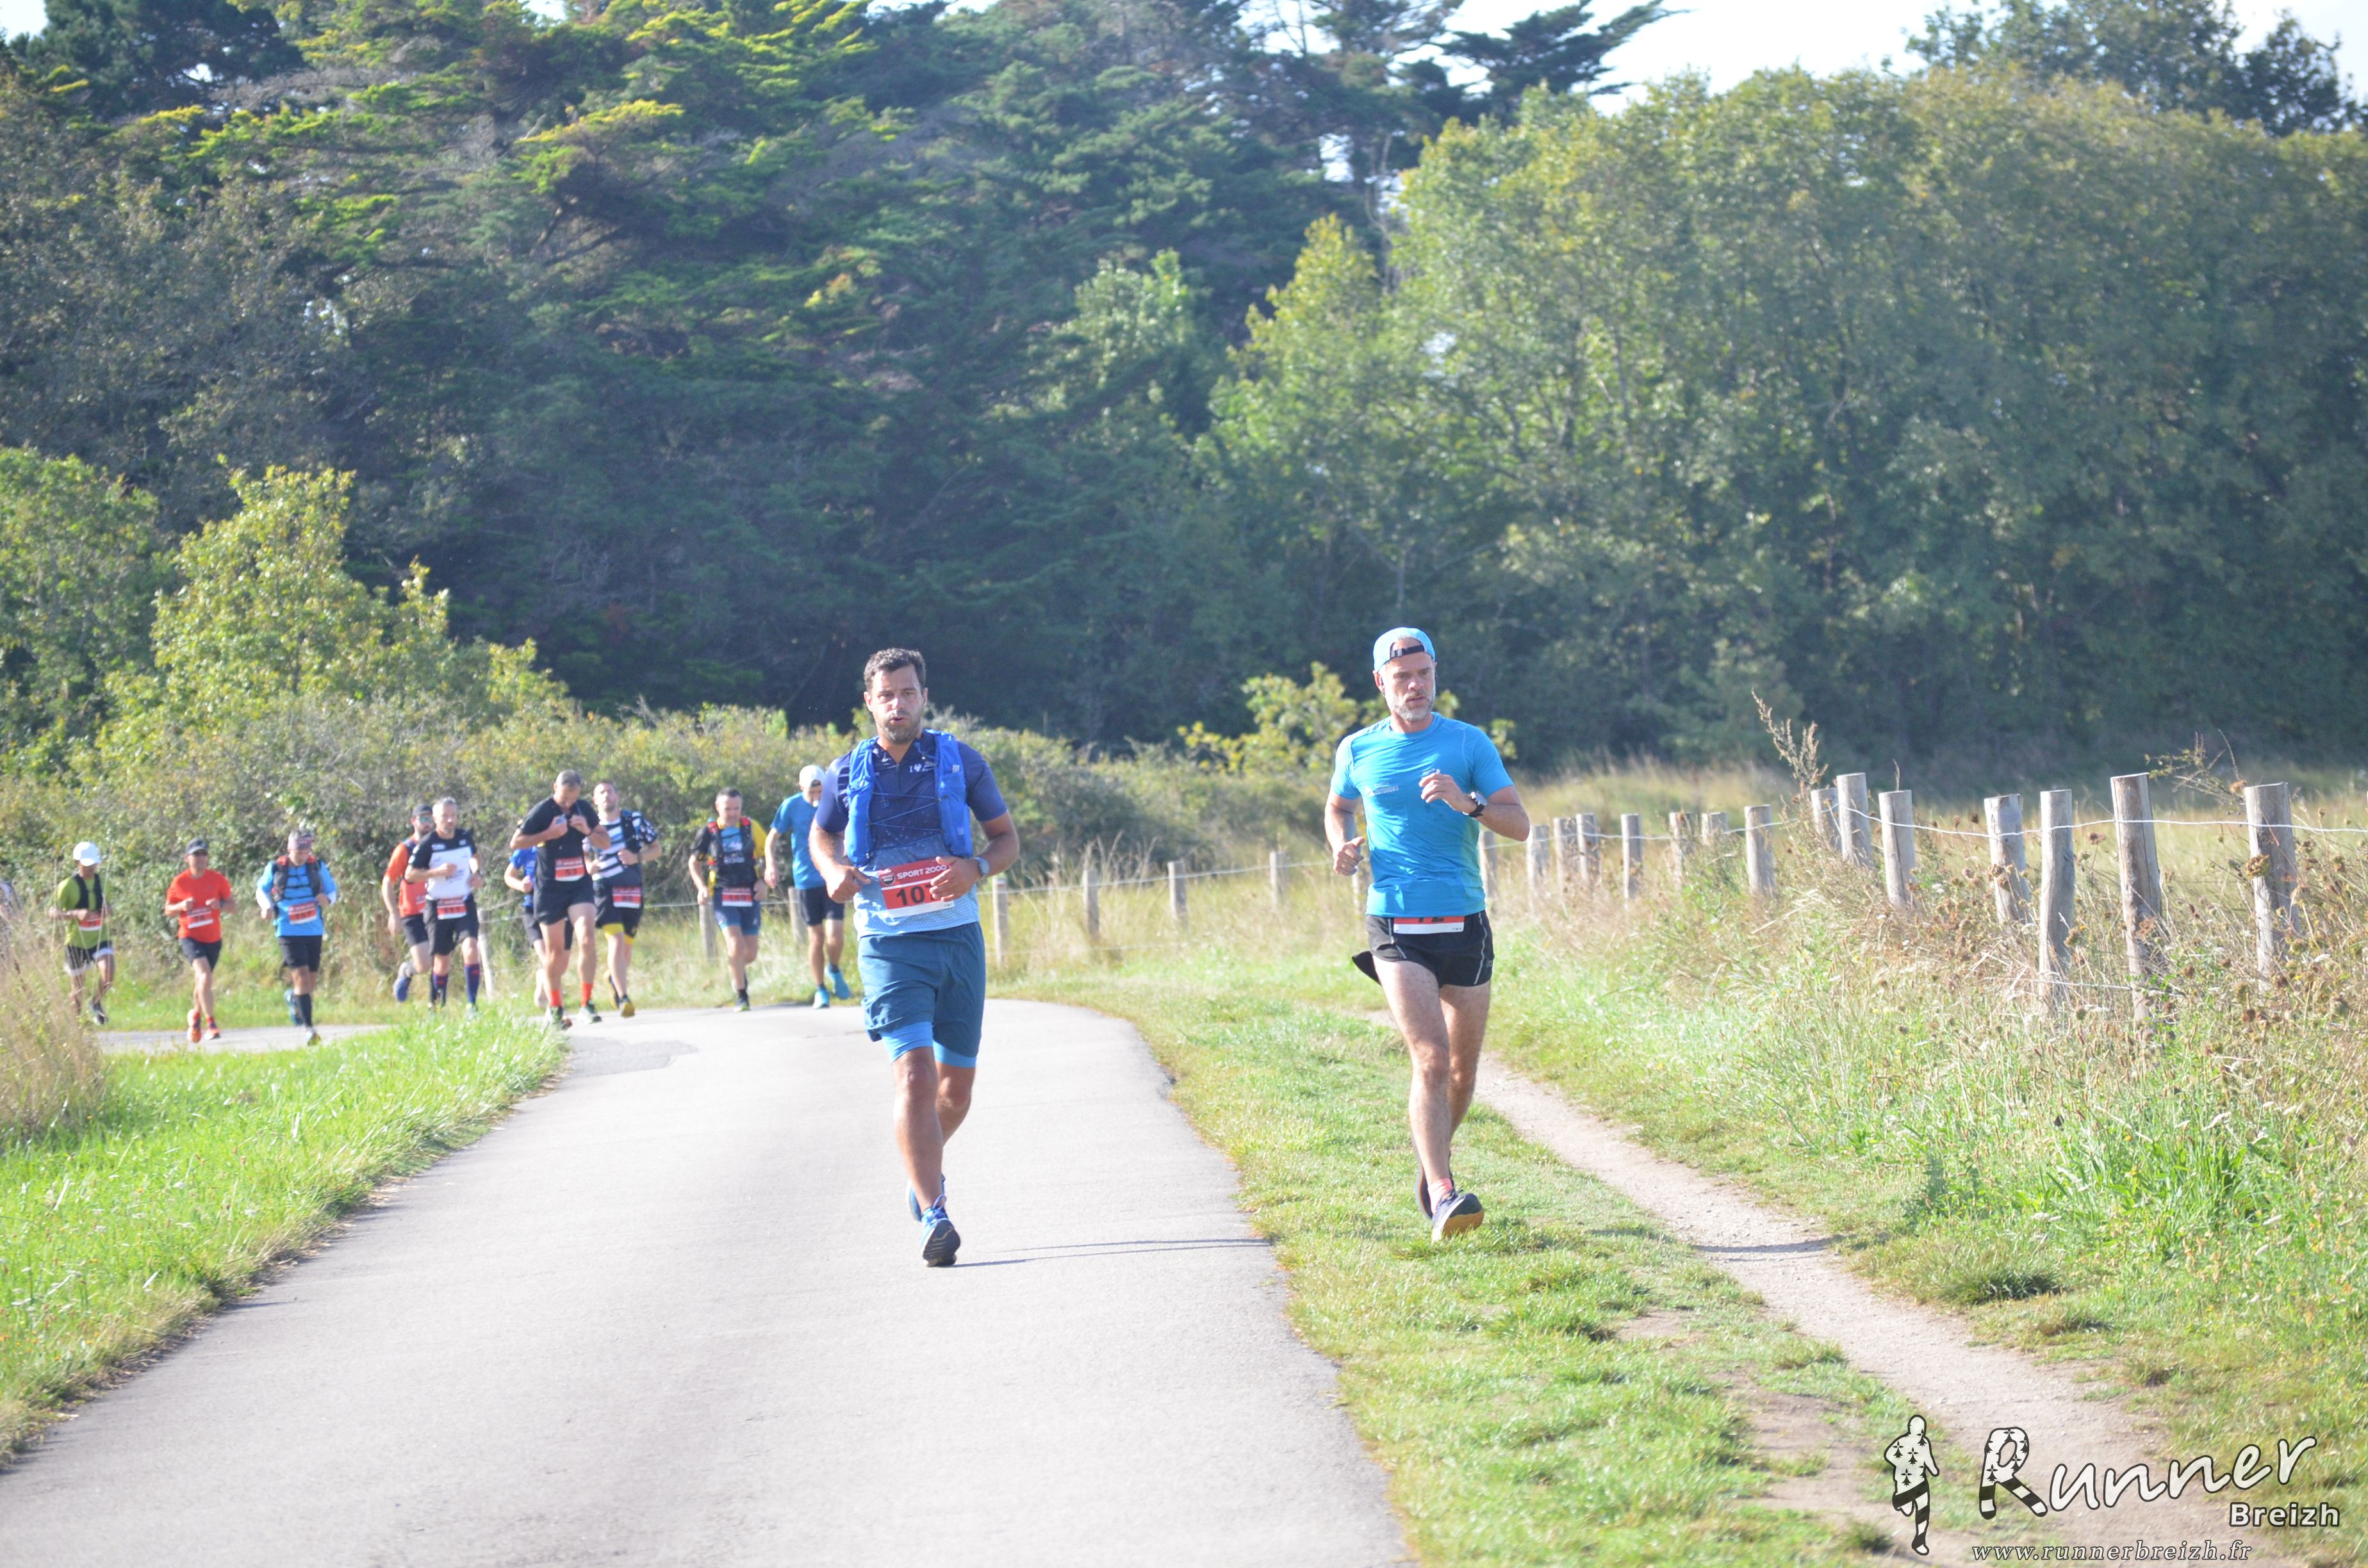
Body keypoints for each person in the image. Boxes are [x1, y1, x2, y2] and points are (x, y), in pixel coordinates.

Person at [810, 648, 1020, 1268]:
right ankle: (935, 1212)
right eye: (886, 696)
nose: (897, 705)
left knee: (956, 1092)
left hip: (958, 940)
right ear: (869, 703)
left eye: (907, 693)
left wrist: (975, 868)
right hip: (888, 943)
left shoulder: (962, 761)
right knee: (916, 1077)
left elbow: (1006, 839)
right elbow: (822, 833)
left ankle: (919, 1167)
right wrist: (831, 871)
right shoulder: (847, 771)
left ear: (924, 697)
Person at [1326, 627, 1528, 1243]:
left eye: (1424, 674)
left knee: (1462, 1072)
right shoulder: (1358, 749)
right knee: (1431, 1058)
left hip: (1464, 922)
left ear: (1435, 673)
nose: (1414, 686)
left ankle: (1430, 1157)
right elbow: (1338, 807)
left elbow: (1519, 825)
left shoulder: (1468, 743)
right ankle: (1443, 1193)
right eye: (1402, 677)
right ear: (1380, 683)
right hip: (1395, 924)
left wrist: (1468, 804)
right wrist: (1343, 846)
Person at [511, 771, 607, 1029]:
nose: (568, 804)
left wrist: (587, 830)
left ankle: (586, 1004)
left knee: (587, 939)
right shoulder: (542, 811)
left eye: (572, 799)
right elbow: (516, 843)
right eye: (564, 798)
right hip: (550, 890)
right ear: (555, 787)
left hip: (579, 885)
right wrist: (549, 834)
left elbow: (605, 842)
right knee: (555, 954)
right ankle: (555, 1008)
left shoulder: (583, 809)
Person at [771, 764, 850, 1010]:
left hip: (832, 876)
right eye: (812, 792)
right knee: (816, 937)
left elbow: (848, 832)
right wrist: (771, 865)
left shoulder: (834, 802)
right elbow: (773, 838)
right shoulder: (791, 806)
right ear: (801, 787)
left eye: (820, 791)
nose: (817, 796)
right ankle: (820, 989)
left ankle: (834, 969)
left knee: (836, 933)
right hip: (806, 880)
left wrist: (848, 860)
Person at [256, 828, 339, 1045]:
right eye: (297, 852)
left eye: (305, 852)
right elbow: (261, 890)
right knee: (301, 977)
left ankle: (294, 999)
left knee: (310, 982)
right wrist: (266, 907)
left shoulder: (317, 867)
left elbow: (333, 891)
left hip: (313, 929)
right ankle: (310, 1029)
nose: (301, 857)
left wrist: (328, 900)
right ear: (289, 849)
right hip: (287, 929)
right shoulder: (276, 868)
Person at [689, 789, 768, 1012]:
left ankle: (736, 970)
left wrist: (763, 881)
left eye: (736, 809)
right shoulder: (708, 832)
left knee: (750, 953)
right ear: (718, 807)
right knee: (735, 945)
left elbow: (767, 855)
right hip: (723, 894)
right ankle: (742, 996)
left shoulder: (751, 827)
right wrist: (701, 888)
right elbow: (694, 863)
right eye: (727, 809)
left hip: (750, 893)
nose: (732, 814)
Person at [406, 798, 485, 1013]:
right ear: (435, 819)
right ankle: (436, 1007)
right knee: (442, 961)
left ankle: (472, 1006)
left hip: (464, 902)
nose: (450, 821)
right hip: (438, 906)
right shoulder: (428, 843)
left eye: (453, 816)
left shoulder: (465, 837)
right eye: (445, 817)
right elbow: (410, 875)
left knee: (471, 948)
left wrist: (477, 874)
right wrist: (436, 872)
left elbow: (474, 856)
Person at [591, 781, 660, 1018]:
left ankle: (613, 978)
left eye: (610, 791)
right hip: (603, 889)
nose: (606, 796)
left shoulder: (635, 821)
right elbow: (582, 856)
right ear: (595, 800)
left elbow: (657, 849)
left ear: (617, 796)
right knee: (617, 941)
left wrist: (636, 857)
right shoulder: (589, 826)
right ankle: (624, 998)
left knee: (626, 949)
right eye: (601, 793)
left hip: (631, 887)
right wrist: (588, 866)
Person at [165, 838, 233, 1042]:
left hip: (213, 938)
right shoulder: (180, 882)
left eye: (204, 854)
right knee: (204, 975)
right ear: (188, 858)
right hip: (190, 937)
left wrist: (220, 905)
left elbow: (233, 906)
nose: (201, 858)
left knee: (202, 981)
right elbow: (168, 910)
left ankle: (195, 1015)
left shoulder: (218, 879)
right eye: (197, 854)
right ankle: (211, 1024)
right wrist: (181, 907)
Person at [50, 841, 114, 1024]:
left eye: (94, 863)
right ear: (77, 862)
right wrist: (75, 914)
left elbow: (109, 906)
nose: (91, 867)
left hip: (100, 937)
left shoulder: (104, 883)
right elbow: (52, 912)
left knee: (109, 974)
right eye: (87, 864)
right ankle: (76, 1025)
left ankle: (96, 1002)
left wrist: (108, 910)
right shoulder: (67, 886)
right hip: (76, 942)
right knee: (77, 989)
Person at [381, 804, 436, 1003]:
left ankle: (435, 1006)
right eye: (423, 819)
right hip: (411, 913)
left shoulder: (437, 845)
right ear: (414, 822)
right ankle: (407, 970)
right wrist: (393, 913)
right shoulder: (405, 849)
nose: (428, 824)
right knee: (423, 964)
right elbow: (388, 882)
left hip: (435, 909)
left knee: (439, 960)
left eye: (431, 819)